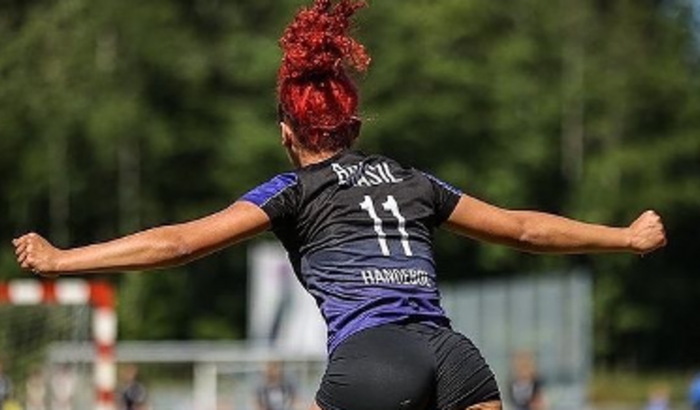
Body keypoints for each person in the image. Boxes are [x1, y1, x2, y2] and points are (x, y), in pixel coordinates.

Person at [11, 1, 667, 410]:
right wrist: (624, 236)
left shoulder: (293, 190)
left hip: (373, 360)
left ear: (286, 132)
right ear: (352, 125)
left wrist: (64, 259)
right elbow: (522, 229)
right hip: (458, 361)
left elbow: (178, 243)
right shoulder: (412, 180)